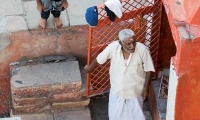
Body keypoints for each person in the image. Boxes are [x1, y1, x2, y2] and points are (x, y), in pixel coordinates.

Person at [84, 29, 155, 120]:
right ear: (121, 43)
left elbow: (149, 69)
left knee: (136, 116)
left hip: (135, 90)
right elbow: (100, 59)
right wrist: (90, 68)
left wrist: (146, 88)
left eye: (134, 42)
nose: (132, 46)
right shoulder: (113, 47)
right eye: (128, 44)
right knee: (115, 116)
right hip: (117, 90)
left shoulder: (142, 50)